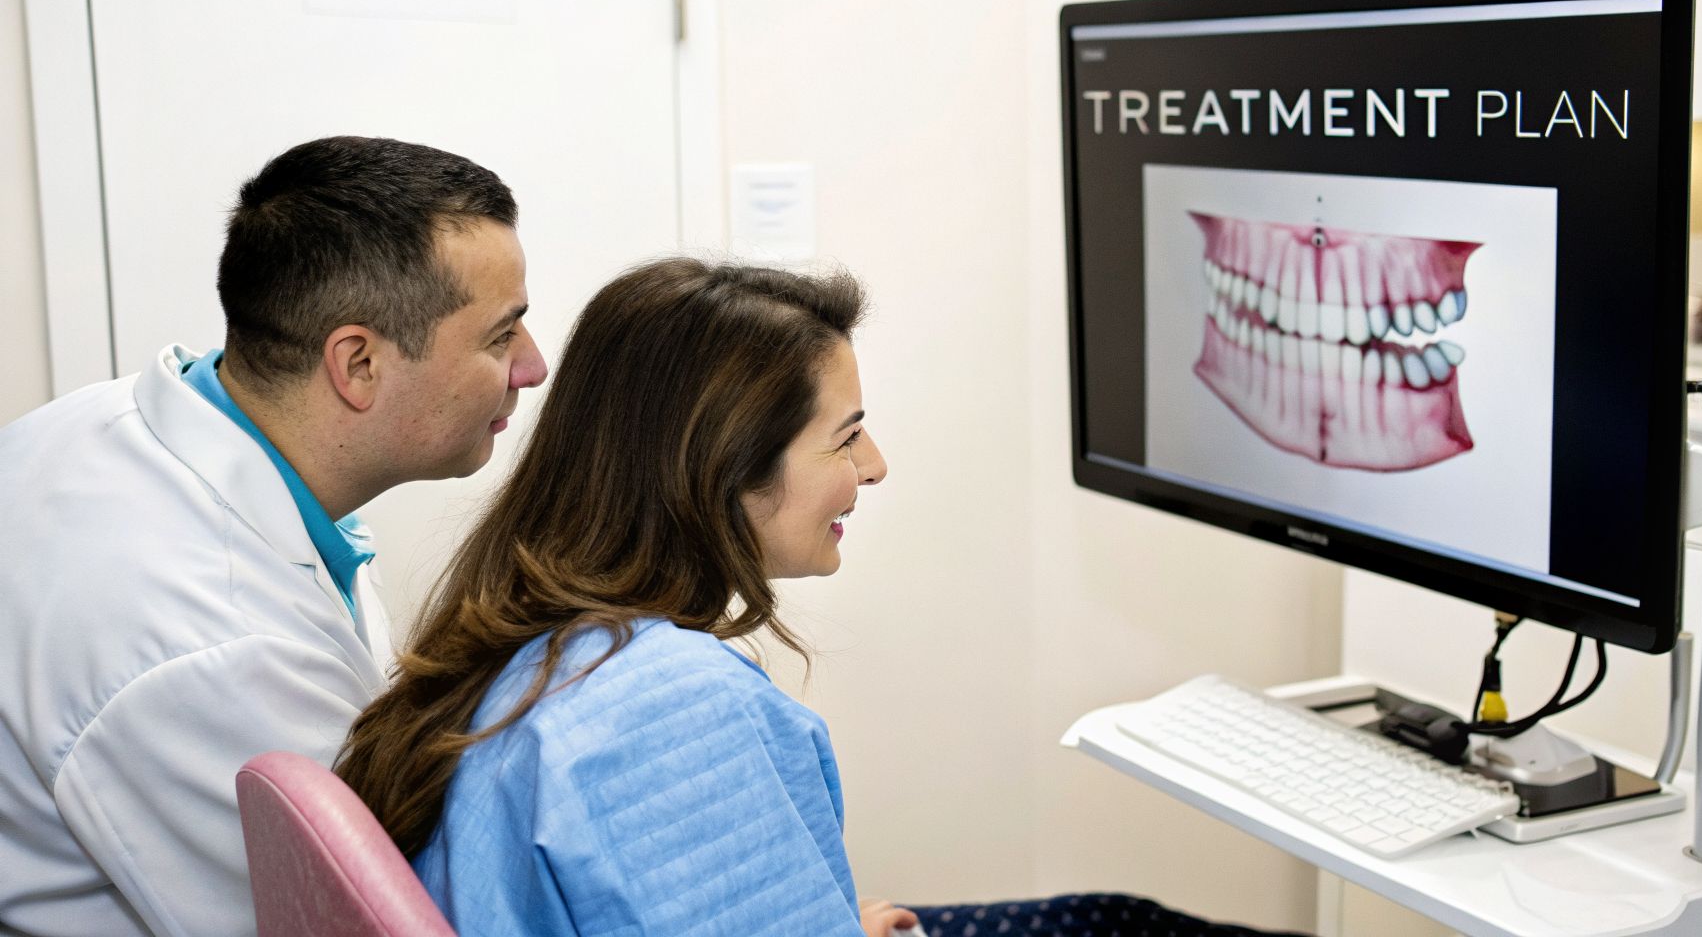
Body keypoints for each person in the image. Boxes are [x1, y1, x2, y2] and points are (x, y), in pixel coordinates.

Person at [336, 258, 1300, 937]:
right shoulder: (670, 715)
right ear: (725, 470)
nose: (874, 468)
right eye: (846, 438)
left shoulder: (519, 640)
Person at [0, 136, 549, 937]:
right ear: (357, 363)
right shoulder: (207, 650)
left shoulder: (120, 423)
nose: (531, 368)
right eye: (502, 336)